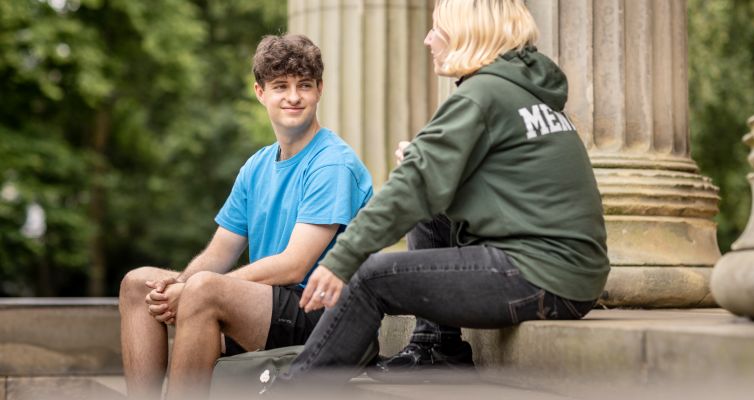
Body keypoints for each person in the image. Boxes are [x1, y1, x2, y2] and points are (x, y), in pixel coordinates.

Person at [281, 0, 610, 384]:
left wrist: (341, 259)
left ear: (465, 34)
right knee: (430, 204)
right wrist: (424, 160)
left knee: (369, 278)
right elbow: (475, 181)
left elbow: (413, 186)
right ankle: (437, 346)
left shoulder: (482, 94)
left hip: (542, 277)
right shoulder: (524, 90)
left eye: (437, 29)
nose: (427, 39)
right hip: (573, 275)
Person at [117, 34, 373, 399]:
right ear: (260, 92)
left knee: (204, 290)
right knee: (138, 284)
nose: (293, 97)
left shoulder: (332, 163)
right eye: (280, 86)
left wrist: (192, 290)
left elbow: (295, 265)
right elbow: (218, 254)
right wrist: (177, 285)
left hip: (323, 314)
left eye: (304, 85)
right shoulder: (256, 166)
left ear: (320, 89)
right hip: (268, 307)